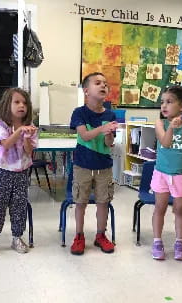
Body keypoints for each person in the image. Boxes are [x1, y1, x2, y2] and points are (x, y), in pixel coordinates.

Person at [0, 88, 38, 257]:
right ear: (8, 105)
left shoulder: (31, 128)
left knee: (19, 207)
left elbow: (29, 152)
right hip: (4, 172)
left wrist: (27, 136)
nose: (21, 105)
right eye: (17, 102)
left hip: (22, 173)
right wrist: (19, 131)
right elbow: (6, 144)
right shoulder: (1, 125)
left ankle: (17, 237)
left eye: (24, 103)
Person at [69, 72, 118, 255]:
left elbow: (109, 143)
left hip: (104, 166)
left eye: (105, 83)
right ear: (86, 90)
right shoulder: (79, 113)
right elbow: (85, 135)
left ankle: (100, 235)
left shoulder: (110, 114)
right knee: (80, 201)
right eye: (98, 83)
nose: (103, 86)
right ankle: (79, 236)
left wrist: (108, 134)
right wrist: (103, 128)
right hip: (82, 165)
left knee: (103, 201)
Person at [150, 85, 182, 261]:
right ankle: (157, 241)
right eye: (162, 102)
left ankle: (179, 242)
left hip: (181, 174)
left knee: (179, 209)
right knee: (160, 207)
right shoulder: (160, 123)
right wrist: (171, 128)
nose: (164, 106)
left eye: (169, 102)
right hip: (161, 172)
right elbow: (165, 142)